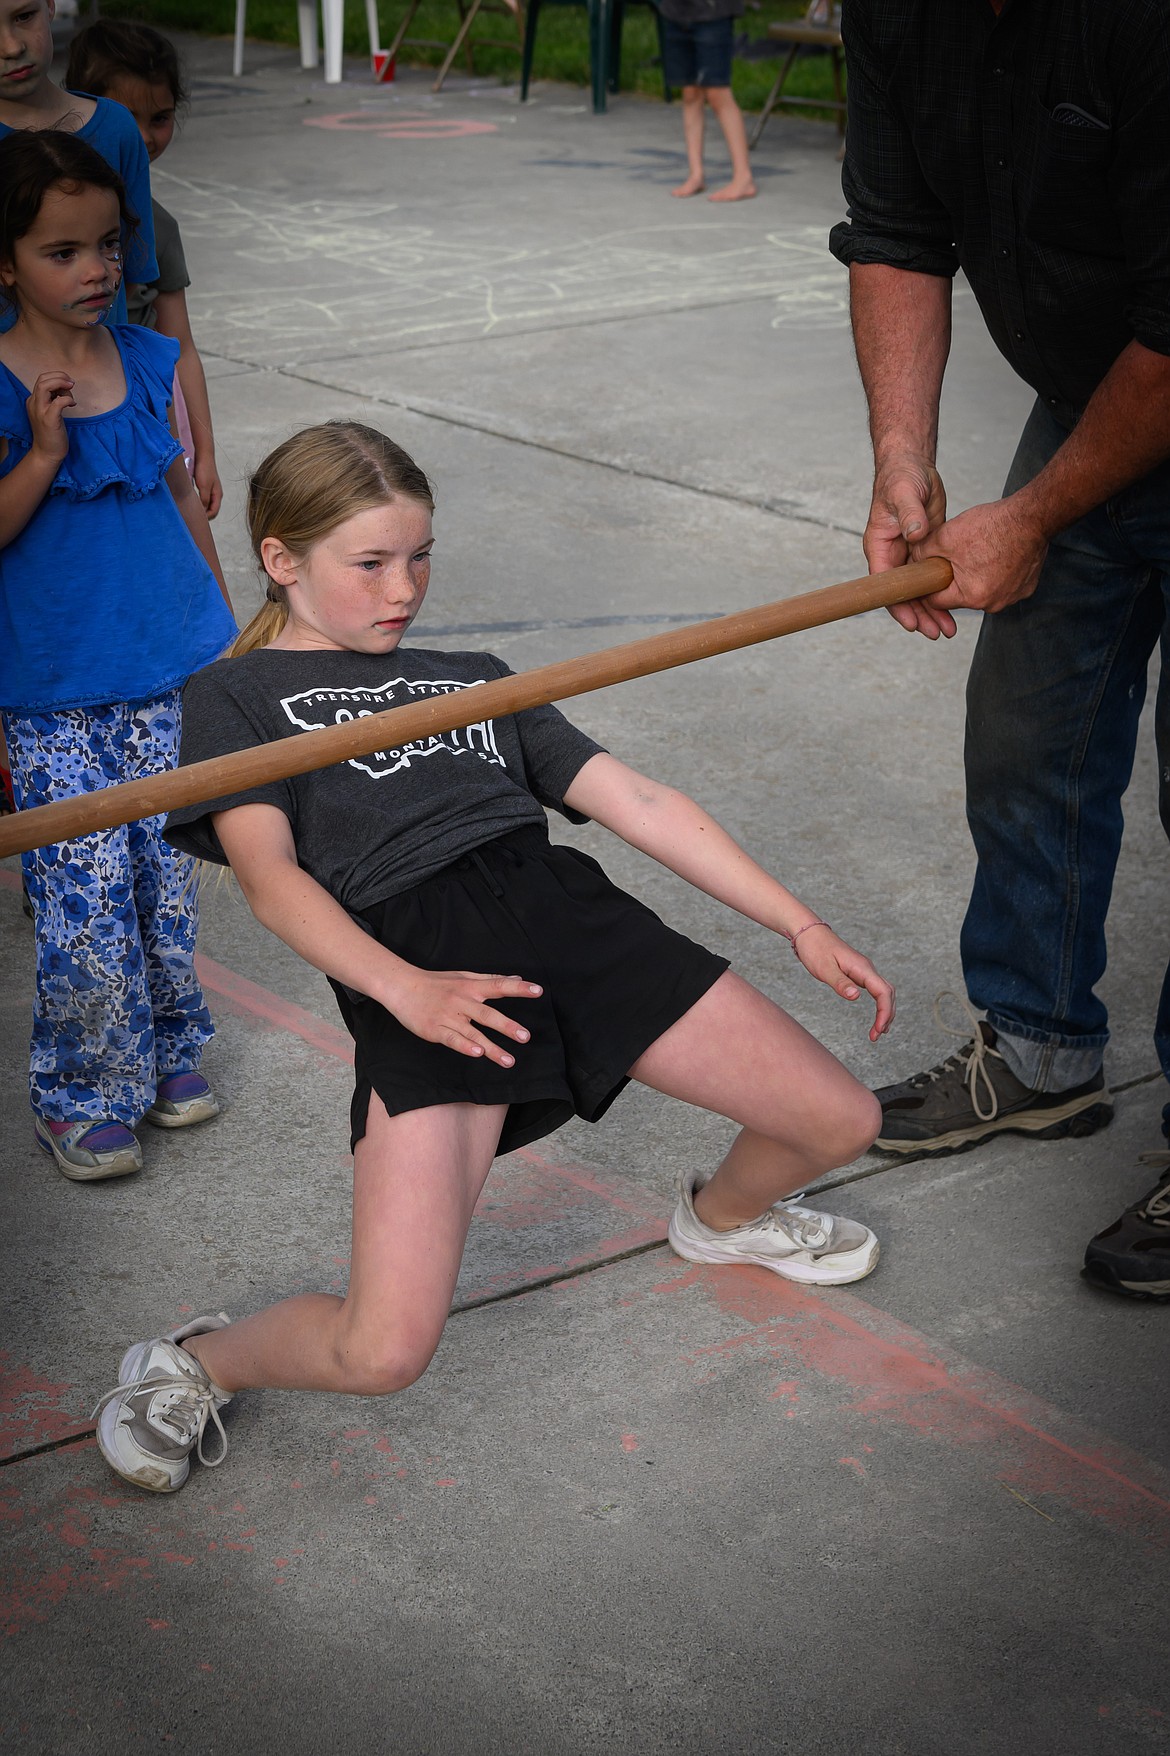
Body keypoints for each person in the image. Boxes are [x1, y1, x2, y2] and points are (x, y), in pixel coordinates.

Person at [93, 418, 893, 1494]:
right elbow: (274, 883)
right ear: (282, 561)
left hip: (573, 921)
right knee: (382, 1351)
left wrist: (796, 919)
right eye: (370, 562)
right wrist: (404, 991)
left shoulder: (472, 675)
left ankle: (723, 1221)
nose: (403, 588)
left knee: (841, 1117)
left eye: (419, 556)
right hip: (427, 967)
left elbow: (638, 799)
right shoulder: (233, 699)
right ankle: (194, 1361)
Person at [828, 0, 1170, 1297]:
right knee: (1030, 731)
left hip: (1157, 366)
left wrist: (1029, 516)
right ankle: (1035, 1053)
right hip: (1093, 390)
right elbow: (897, 236)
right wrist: (902, 461)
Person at [0, 131, 236, 1181]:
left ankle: (171, 1050)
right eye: (62, 251)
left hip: (168, 665)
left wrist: (229, 637)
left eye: (107, 244)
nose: (95, 268)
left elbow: (185, 496)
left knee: (165, 879)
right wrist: (45, 452)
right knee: (82, 893)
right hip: (51, 689)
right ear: (5, 263)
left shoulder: (148, 359)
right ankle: (83, 1090)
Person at [65, 19, 223, 520]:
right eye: (124, 115)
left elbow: (183, 347)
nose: (143, 136)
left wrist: (205, 452)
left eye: (160, 117)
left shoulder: (158, 224)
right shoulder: (26, 217)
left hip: (155, 415)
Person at [0, 0, 155, 329]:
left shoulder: (116, 129)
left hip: (107, 371)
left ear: (51, 5)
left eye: (25, 16)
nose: (11, 47)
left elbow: (130, 274)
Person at [659, 0, 756, 202]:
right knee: (690, 92)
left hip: (713, 12)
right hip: (676, 12)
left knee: (717, 93)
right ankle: (696, 175)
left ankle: (743, 177)